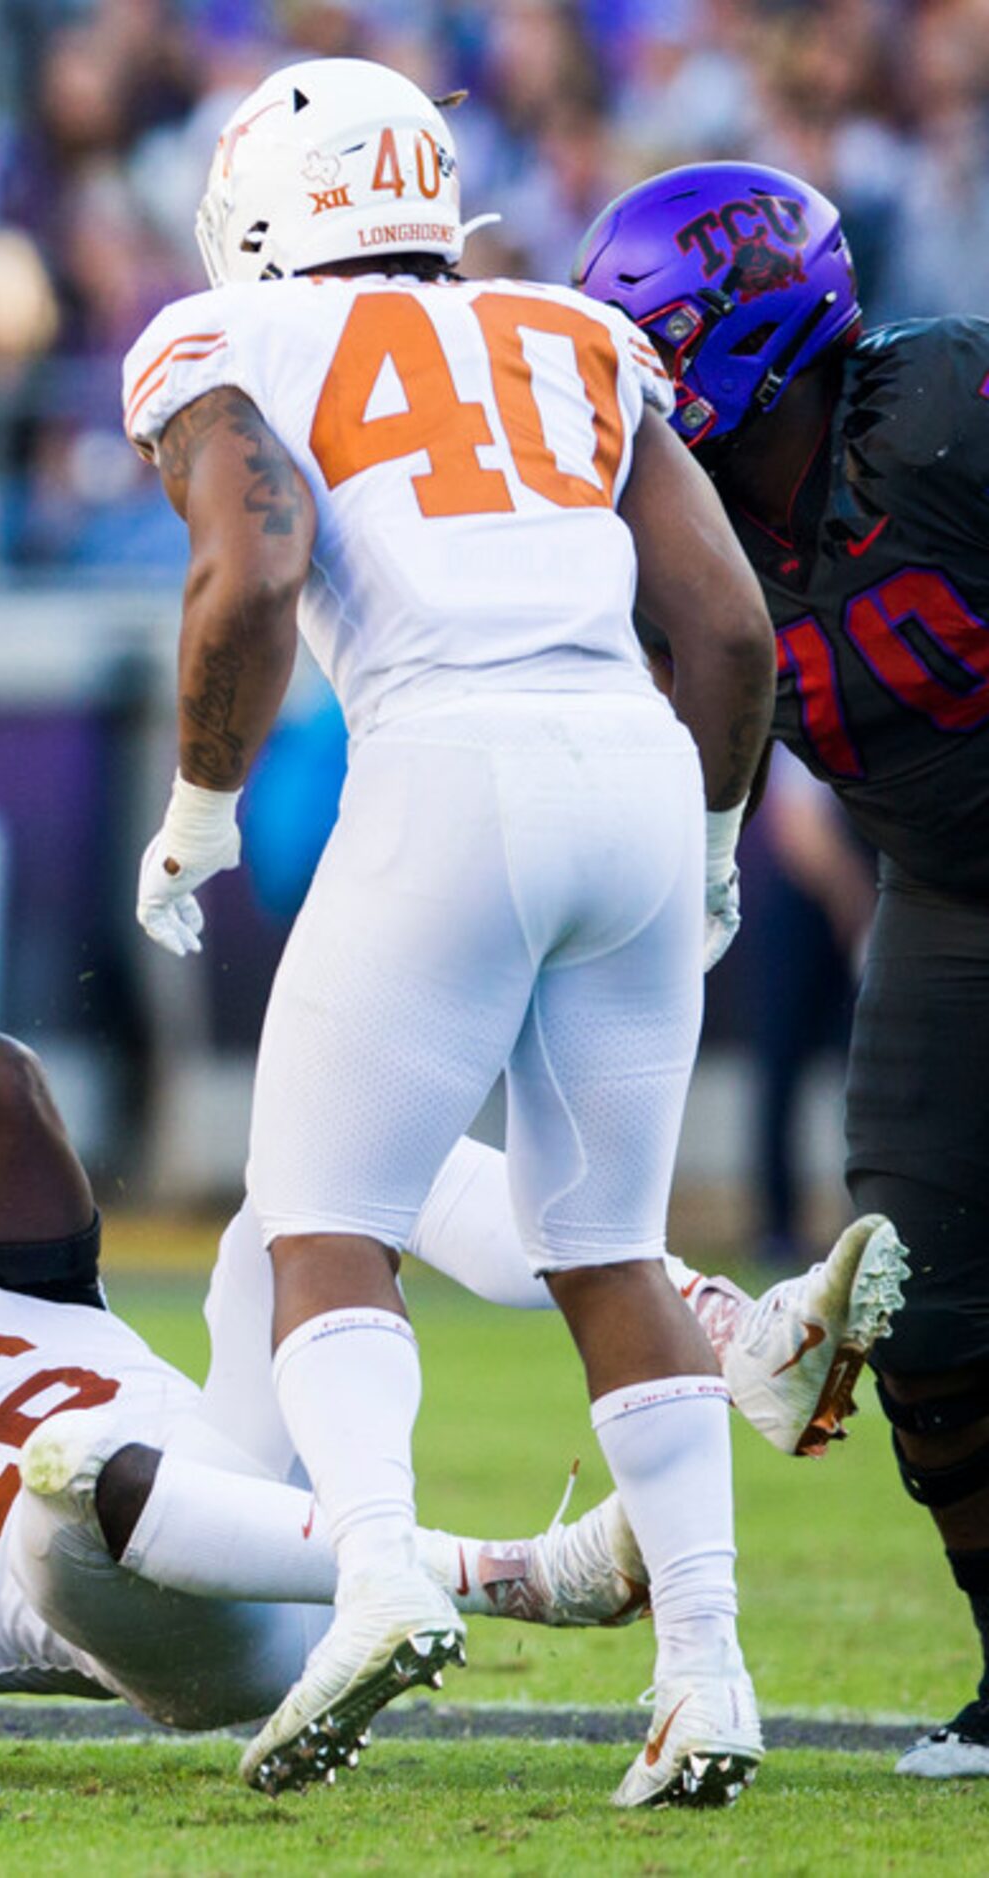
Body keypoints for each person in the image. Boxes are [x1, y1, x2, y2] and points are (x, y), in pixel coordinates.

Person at [120, 61, 781, 1804]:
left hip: (449, 761)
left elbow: (251, 571)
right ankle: (707, 1671)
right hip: (634, 769)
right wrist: (710, 838)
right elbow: (723, 629)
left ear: (266, 209)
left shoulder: (224, 334)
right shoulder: (576, 330)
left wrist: (196, 807)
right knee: (608, 1246)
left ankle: (382, 1565)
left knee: (322, 1217)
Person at [0, 1003, 899, 1755]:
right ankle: (514, 1574)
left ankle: (729, 1331)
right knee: (57, 1490)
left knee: (315, 1181)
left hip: (243, 1482)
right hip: (179, 1637)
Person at [578, 161, 989, 1779]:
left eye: (650, 338)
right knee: (923, 1307)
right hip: (950, 898)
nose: (628, 376)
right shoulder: (662, 529)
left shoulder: (945, 412)